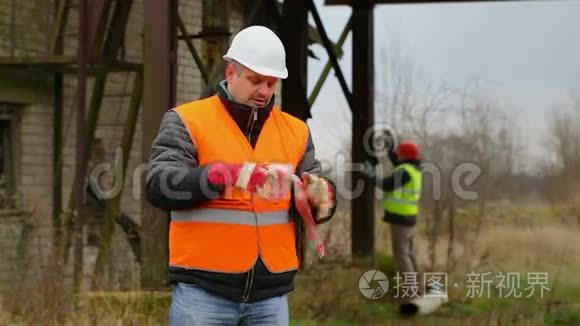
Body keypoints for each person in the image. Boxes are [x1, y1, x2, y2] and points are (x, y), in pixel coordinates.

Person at [145, 25, 336, 326]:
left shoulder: (296, 131)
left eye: (271, 83)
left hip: (271, 296)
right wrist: (219, 176)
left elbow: (319, 200)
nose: (264, 91)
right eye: (255, 80)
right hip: (203, 293)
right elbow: (159, 186)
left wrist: (319, 196)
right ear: (231, 72)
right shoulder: (187, 120)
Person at [363, 140, 423, 296]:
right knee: (410, 253)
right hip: (409, 218)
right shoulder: (413, 170)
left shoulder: (404, 171)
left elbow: (387, 185)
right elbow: (397, 164)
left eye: (398, 153)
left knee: (402, 255)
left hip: (400, 219)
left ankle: (411, 291)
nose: (396, 156)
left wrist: (370, 175)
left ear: (403, 156)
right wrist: (388, 149)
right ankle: (419, 288)